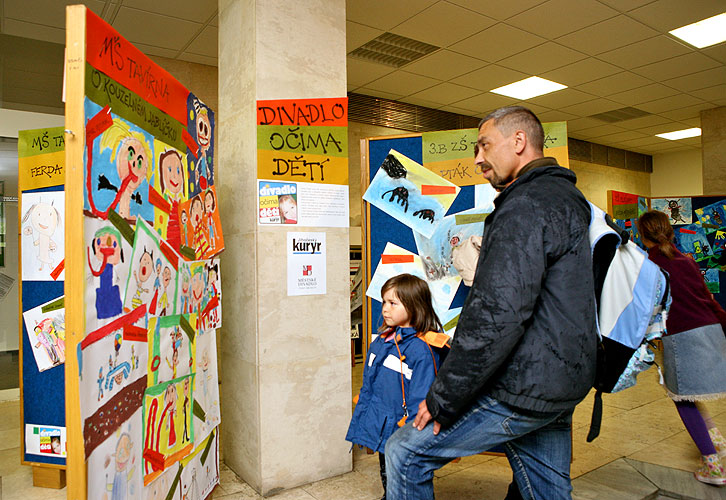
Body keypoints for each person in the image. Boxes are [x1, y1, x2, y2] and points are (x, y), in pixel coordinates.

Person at [384, 106, 597, 500]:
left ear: (519, 141)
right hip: (562, 379)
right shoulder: (567, 196)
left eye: (484, 146)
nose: (478, 159)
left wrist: (442, 398)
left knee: (405, 452)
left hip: (523, 384)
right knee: (547, 489)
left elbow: (498, 315)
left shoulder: (524, 206)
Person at [637, 210, 726, 486]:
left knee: (683, 398)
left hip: (682, 336)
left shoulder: (647, 266)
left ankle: (713, 467)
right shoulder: (685, 261)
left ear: (642, 236)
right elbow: (706, 298)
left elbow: (643, 309)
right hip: (711, 330)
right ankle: (716, 439)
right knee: (691, 392)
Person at [346, 273, 444, 500]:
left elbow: (421, 399)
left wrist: (411, 435)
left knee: (407, 474)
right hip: (382, 423)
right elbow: (370, 385)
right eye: (384, 302)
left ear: (414, 306)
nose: (385, 309)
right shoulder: (382, 340)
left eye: (393, 303)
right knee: (387, 468)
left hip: (402, 428)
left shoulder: (421, 350)